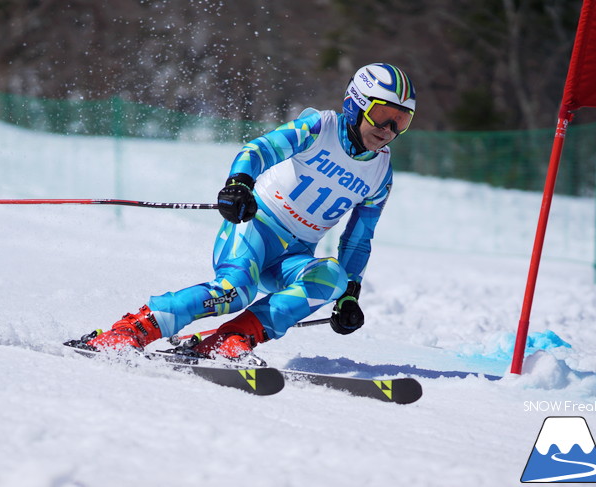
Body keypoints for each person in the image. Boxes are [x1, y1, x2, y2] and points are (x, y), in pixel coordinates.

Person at [73, 63, 416, 360]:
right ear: (355, 105)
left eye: (401, 122)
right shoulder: (318, 128)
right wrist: (240, 184)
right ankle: (131, 330)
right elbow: (260, 149)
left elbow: (358, 240)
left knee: (332, 279)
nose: (388, 130)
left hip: (293, 255)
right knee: (234, 290)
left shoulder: (380, 174)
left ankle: (230, 339)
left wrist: (350, 295)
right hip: (256, 227)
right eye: (382, 116)